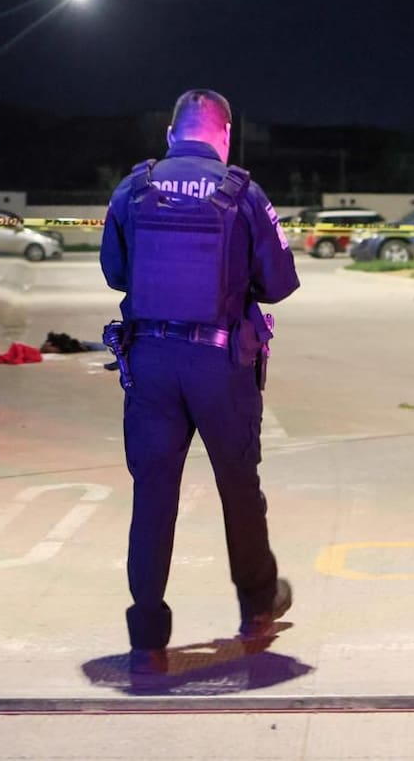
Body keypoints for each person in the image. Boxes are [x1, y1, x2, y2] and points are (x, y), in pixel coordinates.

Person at [100, 88, 300, 674]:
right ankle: (257, 606)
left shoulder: (133, 188)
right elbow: (280, 282)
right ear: (225, 135)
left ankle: (148, 634)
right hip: (221, 365)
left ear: (171, 134)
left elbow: (115, 272)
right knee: (239, 487)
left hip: (152, 363)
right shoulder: (243, 193)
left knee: (153, 494)